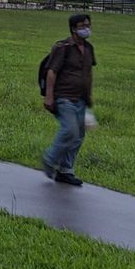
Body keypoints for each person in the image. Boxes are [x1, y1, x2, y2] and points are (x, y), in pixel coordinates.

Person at [42, 14, 96, 186]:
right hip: (64, 97)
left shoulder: (88, 48)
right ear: (73, 29)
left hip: (80, 98)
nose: (86, 29)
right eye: (82, 26)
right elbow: (52, 72)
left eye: (88, 25)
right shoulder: (63, 48)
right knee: (70, 130)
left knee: (78, 136)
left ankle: (66, 171)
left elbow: (88, 73)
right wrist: (49, 96)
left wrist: (88, 96)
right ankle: (49, 160)